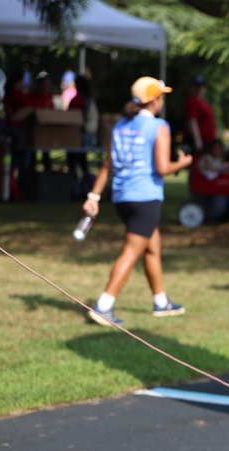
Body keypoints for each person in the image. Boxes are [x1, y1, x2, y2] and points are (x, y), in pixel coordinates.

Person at [81, 77, 193, 326]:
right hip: (145, 198)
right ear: (154, 100)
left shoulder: (120, 125)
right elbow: (162, 167)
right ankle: (103, 306)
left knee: (152, 246)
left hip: (122, 197)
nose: (163, 101)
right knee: (131, 252)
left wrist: (94, 196)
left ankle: (161, 302)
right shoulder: (158, 126)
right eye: (161, 96)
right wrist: (183, 163)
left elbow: (107, 165)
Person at [67, 75, 99, 195]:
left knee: (74, 162)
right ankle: (84, 186)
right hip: (89, 135)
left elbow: (72, 117)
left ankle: (76, 187)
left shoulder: (80, 99)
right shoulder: (90, 99)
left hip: (82, 135)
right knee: (82, 163)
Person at [184, 75, 216, 154]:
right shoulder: (192, 101)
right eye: (196, 86)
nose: (199, 89)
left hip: (207, 141)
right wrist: (197, 140)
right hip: (199, 142)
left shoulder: (202, 101)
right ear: (192, 87)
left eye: (201, 86)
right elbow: (192, 121)